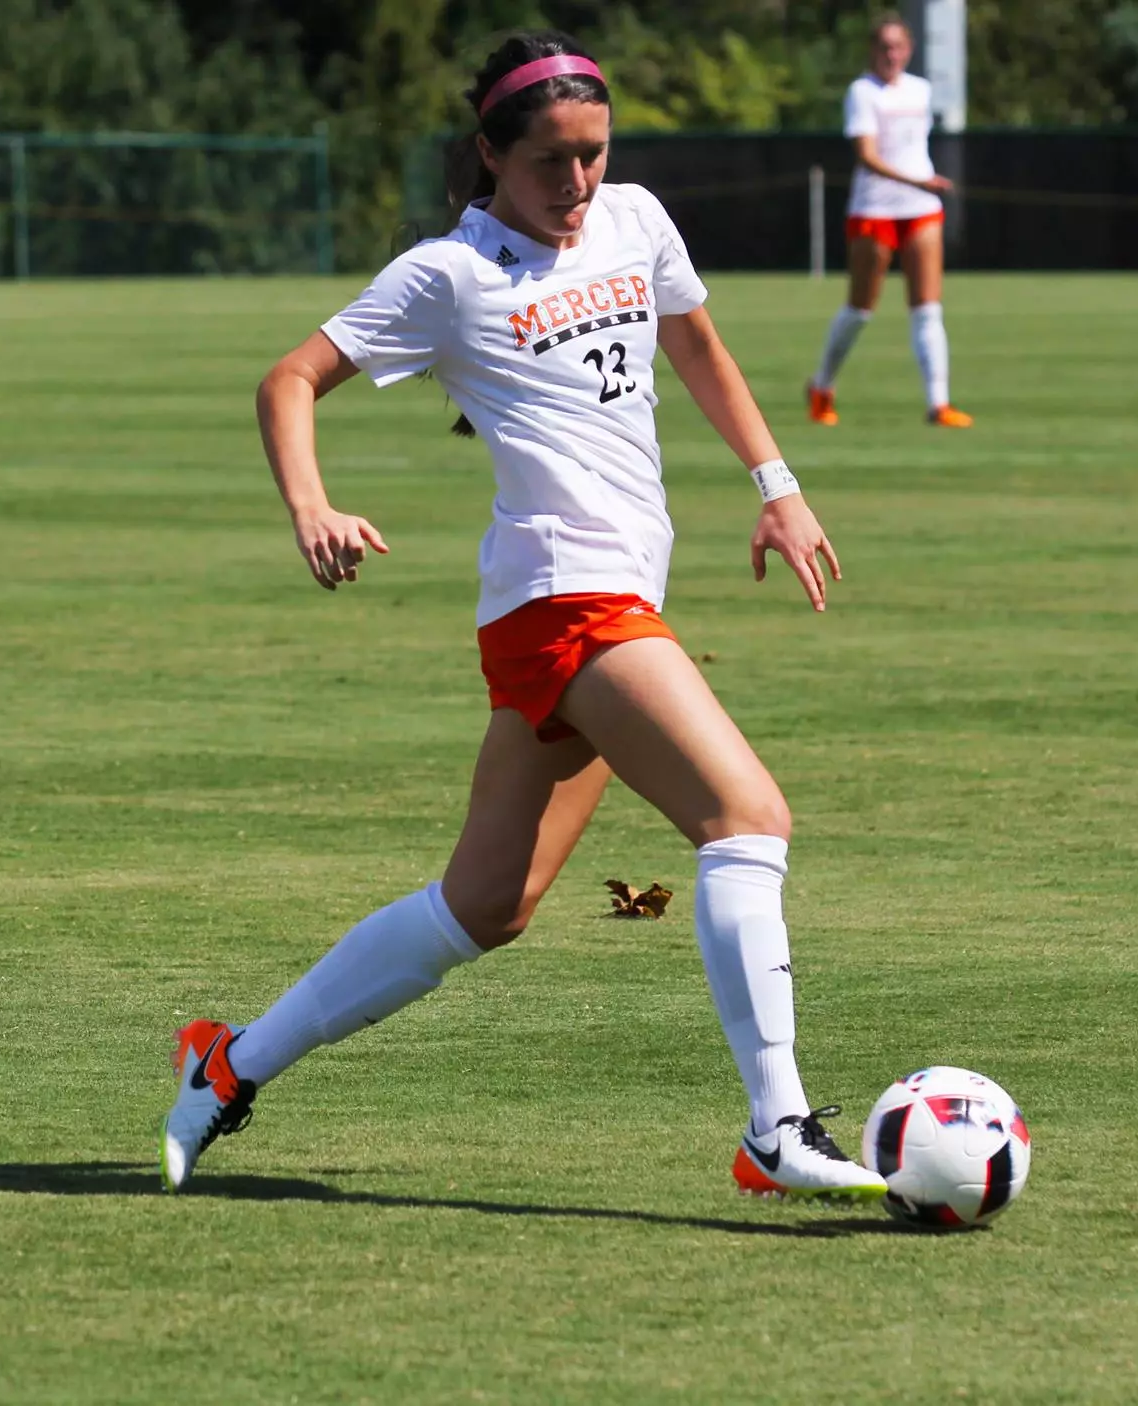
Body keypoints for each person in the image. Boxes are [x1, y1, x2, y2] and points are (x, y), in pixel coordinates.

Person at [161, 31, 885, 1203]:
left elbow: (693, 342)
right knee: (745, 814)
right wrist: (312, 506)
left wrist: (776, 485)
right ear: (491, 156)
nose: (577, 183)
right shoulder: (450, 274)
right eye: (550, 160)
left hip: (610, 598)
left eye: (593, 155)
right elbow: (287, 378)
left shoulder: (637, 220)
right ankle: (777, 1125)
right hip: (565, 599)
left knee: (483, 907)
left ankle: (227, 1061)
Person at [805, 14, 972, 429]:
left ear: (909, 50)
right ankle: (822, 385)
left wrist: (923, 186)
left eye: (898, 47)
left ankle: (939, 403)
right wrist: (919, 180)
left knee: (928, 309)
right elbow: (868, 156)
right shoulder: (862, 92)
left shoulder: (921, 90)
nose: (891, 55)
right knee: (861, 308)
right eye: (884, 47)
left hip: (920, 209)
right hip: (874, 209)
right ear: (872, 51)